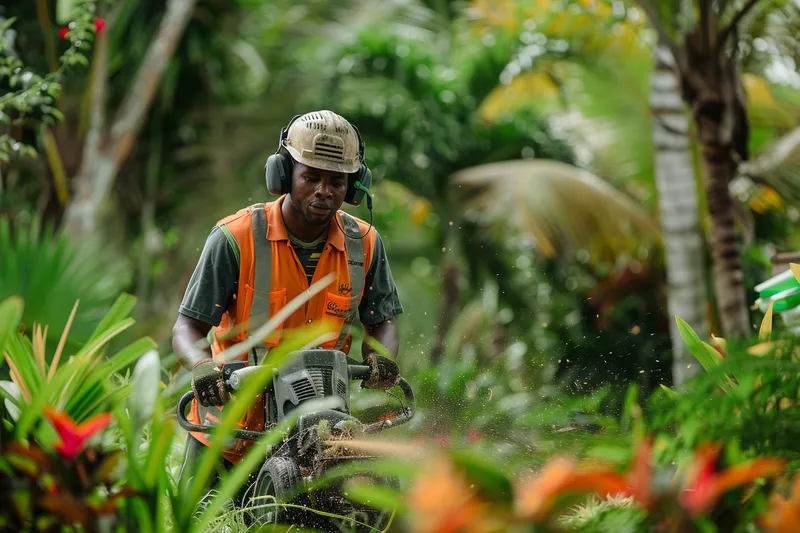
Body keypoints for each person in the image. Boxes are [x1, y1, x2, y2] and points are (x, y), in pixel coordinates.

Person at [172, 110, 403, 503]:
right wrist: (202, 367)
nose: (323, 191)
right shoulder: (235, 237)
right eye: (310, 176)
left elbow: (383, 321)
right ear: (283, 174)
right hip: (229, 436)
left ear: (353, 186)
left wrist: (380, 356)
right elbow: (187, 327)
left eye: (336, 181)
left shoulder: (364, 244)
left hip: (316, 442)